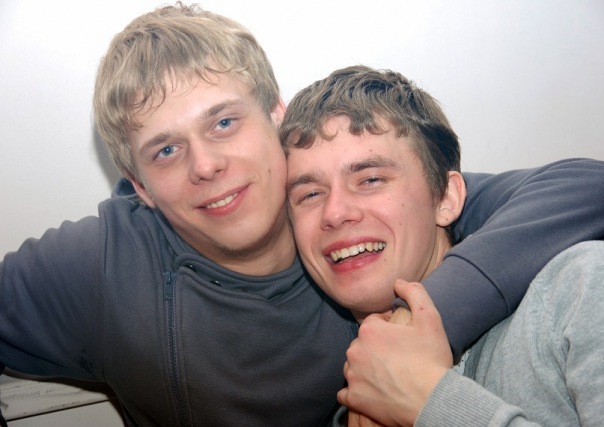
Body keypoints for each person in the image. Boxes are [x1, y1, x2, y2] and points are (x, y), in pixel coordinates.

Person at [0, 3, 603, 425]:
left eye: (224, 121)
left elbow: (582, 186)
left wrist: (422, 327)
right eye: (165, 150)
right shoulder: (105, 264)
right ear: (140, 188)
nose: (205, 165)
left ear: (276, 118)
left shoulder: (361, 214)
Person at [280, 64, 604, 425]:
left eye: (371, 180)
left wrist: (432, 403)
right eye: (310, 194)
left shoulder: (578, 291)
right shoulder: (339, 399)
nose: (335, 213)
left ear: (447, 198)